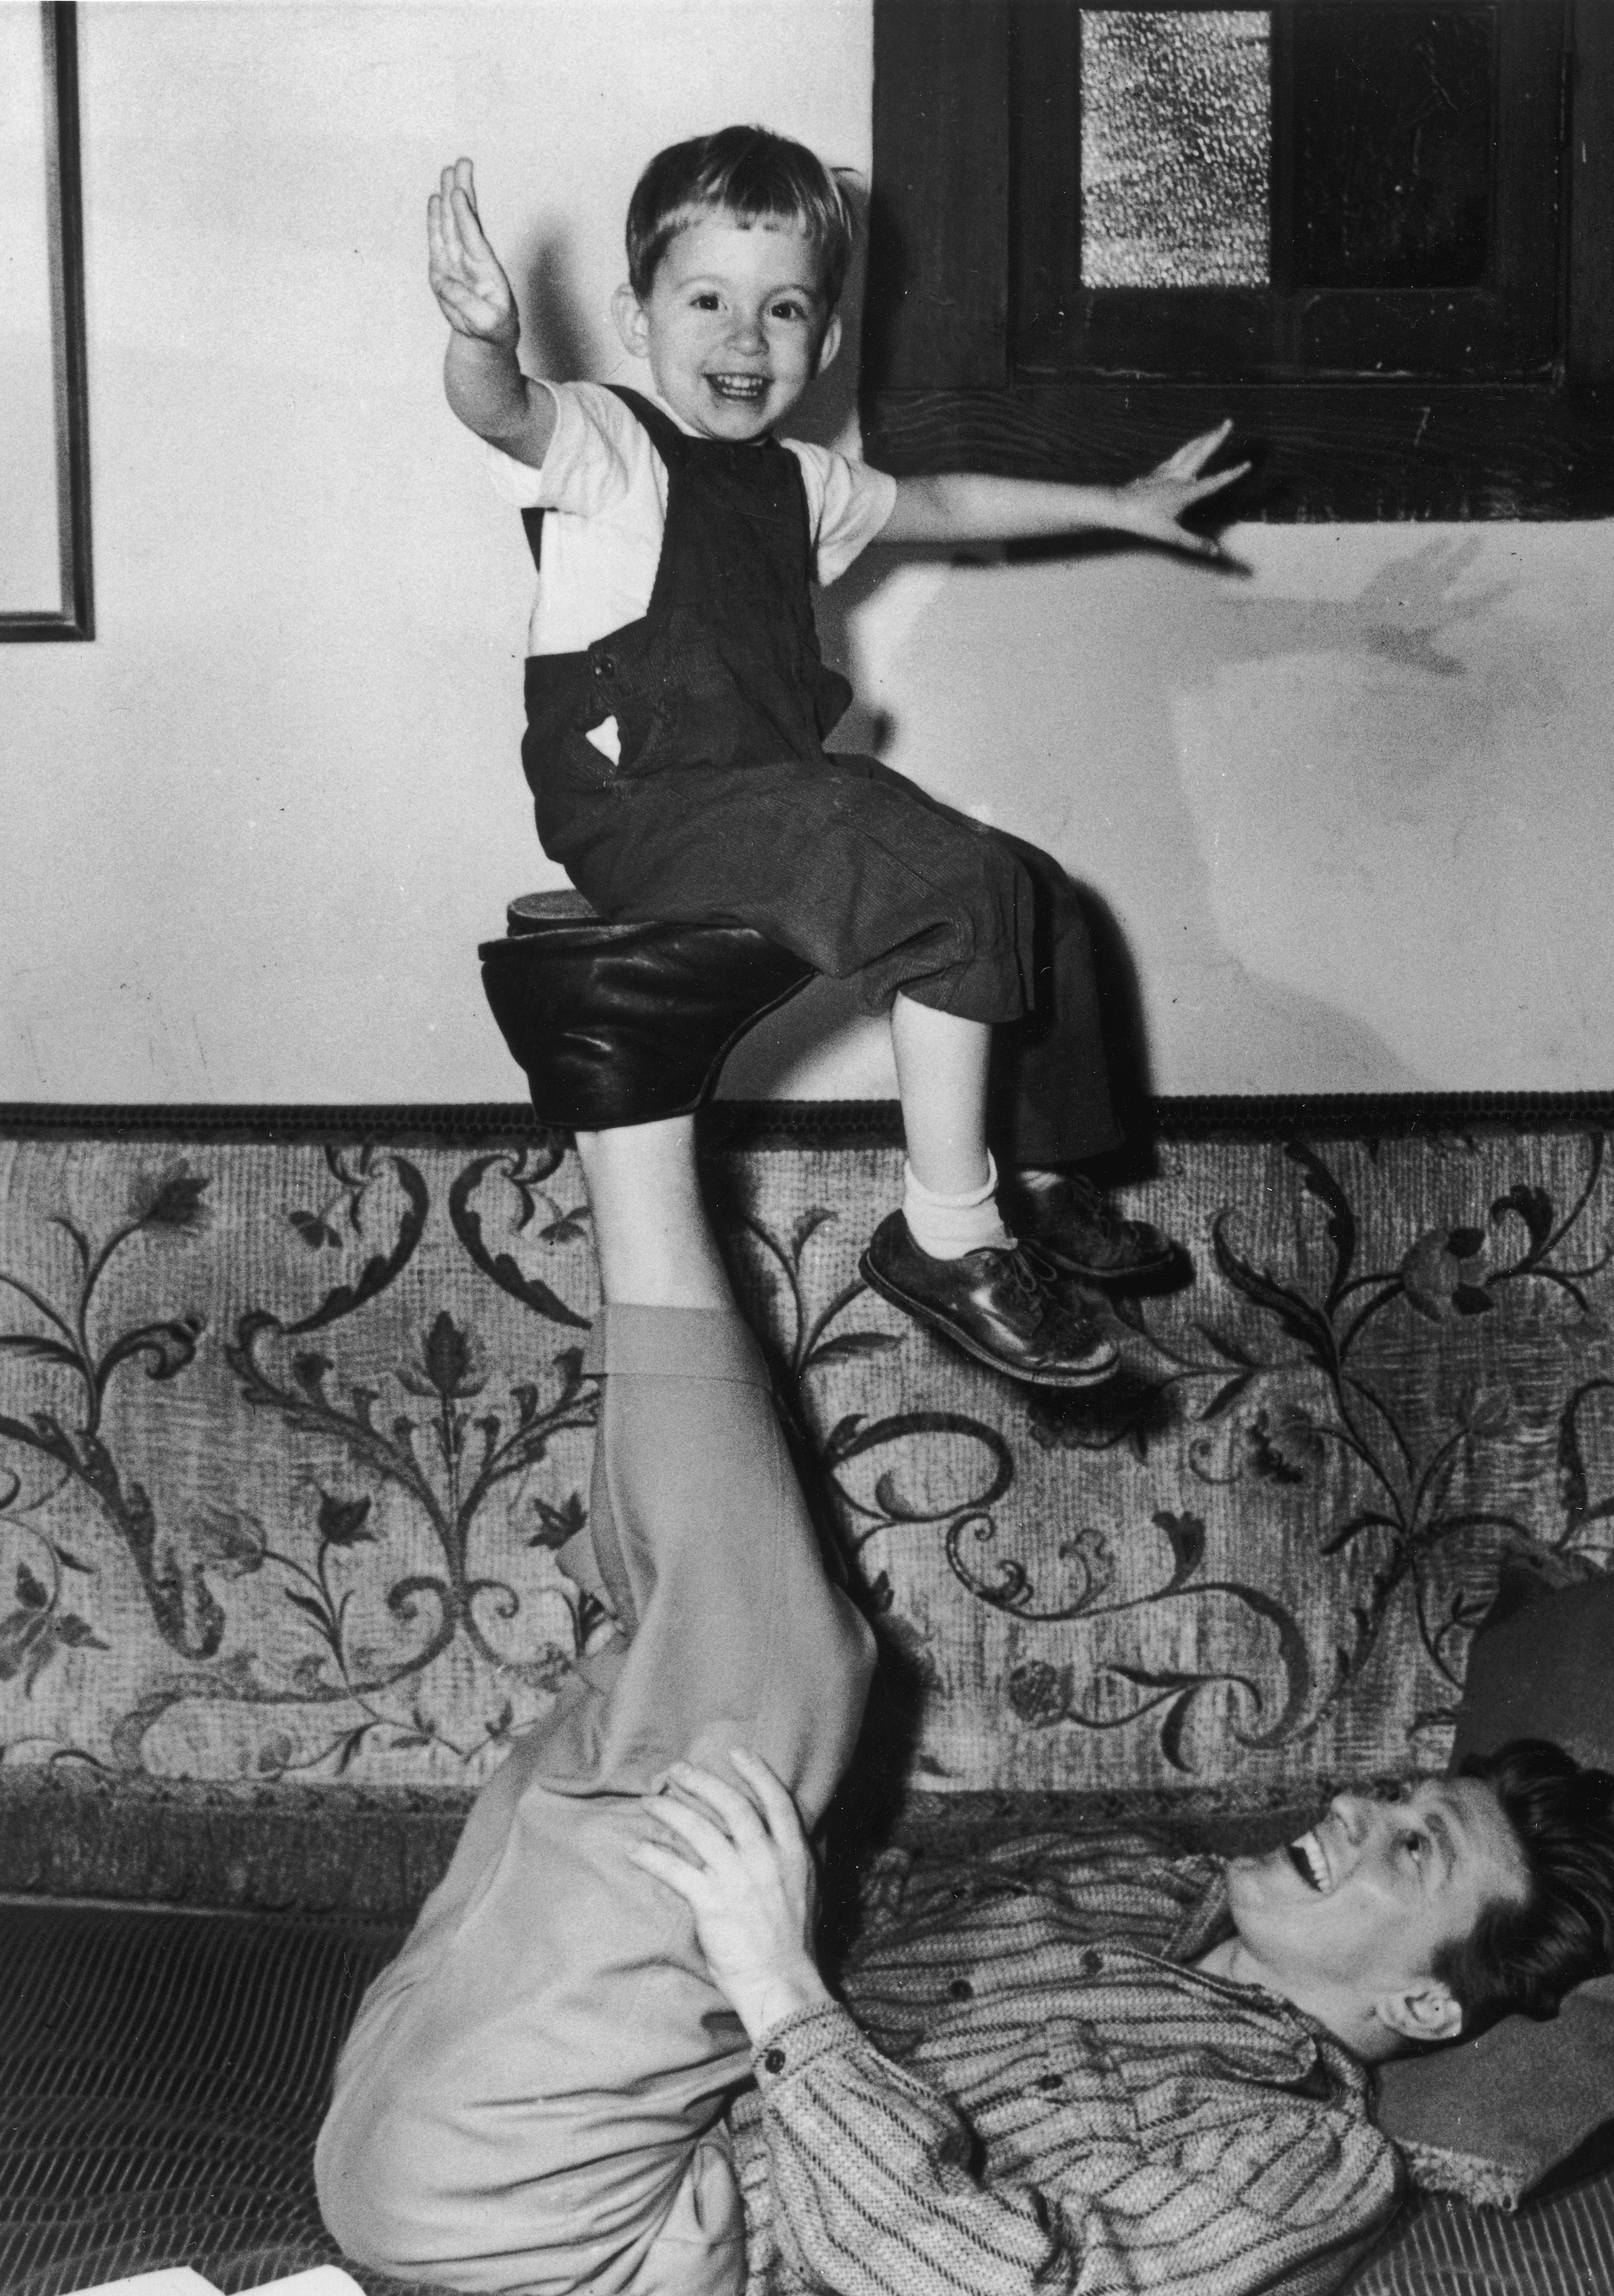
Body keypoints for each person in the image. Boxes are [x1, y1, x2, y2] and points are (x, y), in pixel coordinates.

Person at [313, 1106, 1614, 2296]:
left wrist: (775, 2007)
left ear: (1424, 2003)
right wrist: (784, 1942)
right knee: (721, 1673)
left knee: (788, 1668)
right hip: (530, 2070)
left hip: (554, 2211)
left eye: (1414, 1845)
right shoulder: (1124, 1878)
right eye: (1399, 1788)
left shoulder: (1308, 2157)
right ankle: (626, 1112)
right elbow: (848, 1918)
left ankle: (634, 1120)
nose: (1360, 1804)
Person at [424, 127, 1253, 1392]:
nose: (747, 339)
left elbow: (945, 505)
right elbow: (505, 412)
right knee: (937, 878)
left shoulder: (801, 482)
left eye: (787, 309)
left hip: (768, 796)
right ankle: (947, 1230)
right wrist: (485, 341)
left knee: (1025, 888)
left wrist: (1116, 502)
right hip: (645, 805)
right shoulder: (608, 448)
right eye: (707, 301)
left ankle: (1037, 1174)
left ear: (824, 339)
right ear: (634, 317)